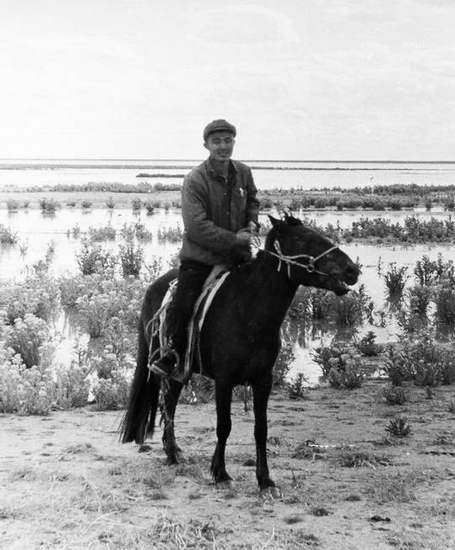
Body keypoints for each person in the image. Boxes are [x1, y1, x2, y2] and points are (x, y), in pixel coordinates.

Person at [150, 119, 260, 378]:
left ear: (234, 142)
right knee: (183, 303)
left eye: (227, 141)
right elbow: (196, 226)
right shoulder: (195, 179)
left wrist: (252, 222)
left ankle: (260, 356)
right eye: (216, 141)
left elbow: (253, 201)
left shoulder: (243, 172)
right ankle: (172, 354)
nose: (223, 146)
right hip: (201, 259)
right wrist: (235, 239)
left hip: (239, 257)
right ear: (206, 145)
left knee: (266, 295)